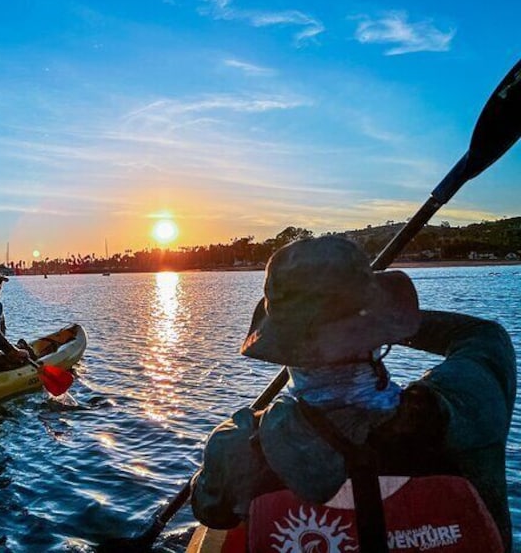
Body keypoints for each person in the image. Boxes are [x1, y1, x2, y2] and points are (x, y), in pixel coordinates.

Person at [190, 235, 516, 551]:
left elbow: (212, 513)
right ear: (380, 332)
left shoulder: (236, 447)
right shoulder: (468, 405)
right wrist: (383, 320)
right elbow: (485, 337)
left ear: (281, 343)